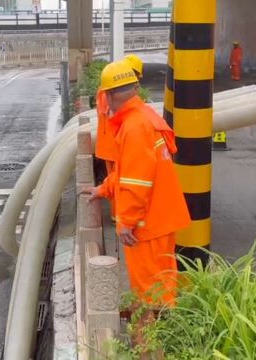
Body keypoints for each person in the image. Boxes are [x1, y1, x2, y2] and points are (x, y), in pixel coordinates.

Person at [86, 61, 191, 306]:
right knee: (164, 283)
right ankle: (165, 336)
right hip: (160, 218)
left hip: (147, 225)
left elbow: (136, 182)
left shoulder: (133, 128)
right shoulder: (143, 117)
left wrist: (127, 223)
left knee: (149, 292)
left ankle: (150, 343)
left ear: (108, 96)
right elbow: (128, 170)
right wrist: (103, 189)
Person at [94, 54, 144, 220]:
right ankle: (118, 215)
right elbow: (110, 113)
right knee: (118, 182)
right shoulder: (107, 93)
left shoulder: (106, 90)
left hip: (114, 143)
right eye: (134, 77)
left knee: (120, 180)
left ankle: (120, 215)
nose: (136, 82)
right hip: (112, 145)